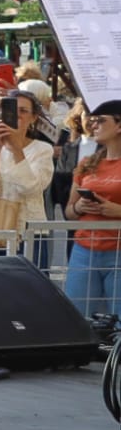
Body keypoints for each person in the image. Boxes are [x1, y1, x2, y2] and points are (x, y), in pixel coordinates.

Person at [0, 88, 54, 240]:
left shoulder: (43, 149)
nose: (17, 115)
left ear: (33, 118)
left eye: (23, 111)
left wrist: (16, 150)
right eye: (12, 110)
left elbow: (31, 189)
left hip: (27, 233)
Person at [65, 99, 121, 316]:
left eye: (101, 120)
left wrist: (117, 211)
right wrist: (80, 206)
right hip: (84, 250)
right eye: (93, 119)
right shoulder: (88, 163)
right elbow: (69, 212)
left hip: (117, 250)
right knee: (77, 318)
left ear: (119, 125)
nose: (93, 124)